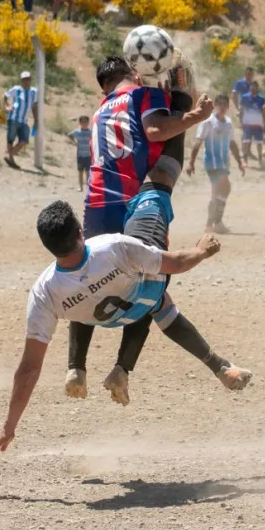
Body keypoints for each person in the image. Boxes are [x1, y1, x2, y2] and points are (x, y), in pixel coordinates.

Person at [0, 199, 253, 461]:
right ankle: (216, 366)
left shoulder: (44, 292)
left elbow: (29, 369)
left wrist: (8, 427)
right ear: (79, 231)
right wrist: (203, 250)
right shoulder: (113, 246)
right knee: (153, 288)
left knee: (83, 302)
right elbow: (177, 263)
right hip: (140, 304)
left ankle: (76, 367)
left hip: (97, 318)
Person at [68, 55, 214, 399]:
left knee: (87, 282)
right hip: (135, 202)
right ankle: (121, 369)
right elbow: (157, 131)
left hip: (97, 204)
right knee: (148, 283)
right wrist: (191, 111)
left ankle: (76, 367)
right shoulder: (139, 95)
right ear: (134, 71)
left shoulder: (100, 111)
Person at [187, 94, 245, 233]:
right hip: (212, 162)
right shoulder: (208, 122)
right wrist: (191, 162)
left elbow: (232, 144)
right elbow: (198, 142)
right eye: (221, 104)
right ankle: (217, 222)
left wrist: (240, 161)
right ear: (216, 106)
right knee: (226, 188)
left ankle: (209, 224)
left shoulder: (229, 123)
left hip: (224, 163)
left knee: (217, 193)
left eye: (226, 104)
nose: (223, 107)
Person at [3, 71, 38, 168]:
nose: (26, 81)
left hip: (24, 121)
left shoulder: (34, 92)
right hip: (13, 118)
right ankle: (11, 160)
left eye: (28, 79)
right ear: (21, 80)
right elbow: (6, 96)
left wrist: (36, 119)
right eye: (24, 79)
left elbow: (34, 106)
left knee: (24, 140)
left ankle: (9, 155)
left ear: (30, 80)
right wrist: (7, 106)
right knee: (10, 139)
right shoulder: (16, 89)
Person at [239, 80, 265, 165]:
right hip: (247, 124)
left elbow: (263, 112)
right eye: (252, 86)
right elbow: (241, 110)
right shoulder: (244, 97)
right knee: (246, 142)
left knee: (259, 143)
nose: (253, 88)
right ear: (250, 87)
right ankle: (245, 161)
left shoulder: (261, 99)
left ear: (257, 88)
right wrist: (241, 122)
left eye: (255, 86)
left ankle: (260, 160)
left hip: (258, 124)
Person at [68, 115, 91, 192]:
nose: (84, 123)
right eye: (83, 122)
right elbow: (69, 135)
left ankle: (88, 187)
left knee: (88, 172)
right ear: (80, 123)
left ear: (88, 123)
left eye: (86, 122)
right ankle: (80, 186)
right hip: (80, 155)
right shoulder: (77, 131)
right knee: (80, 171)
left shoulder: (90, 132)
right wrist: (75, 142)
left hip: (88, 155)